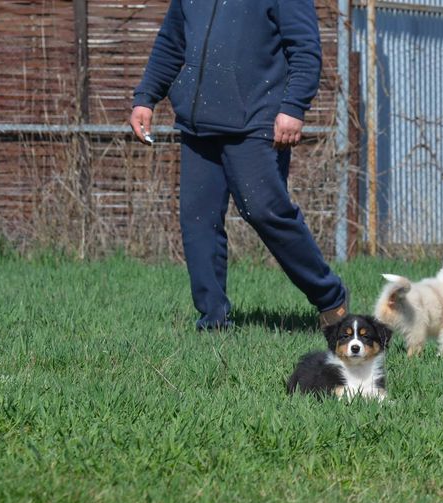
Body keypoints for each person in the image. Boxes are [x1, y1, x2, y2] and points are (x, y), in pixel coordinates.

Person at [129, 0, 348, 331]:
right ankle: (213, 321)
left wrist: (294, 107)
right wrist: (146, 97)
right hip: (197, 122)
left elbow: (304, 46)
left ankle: (330, 297)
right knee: (198, 220)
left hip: (256, 120)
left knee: (265, 211)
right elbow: (171, 41)